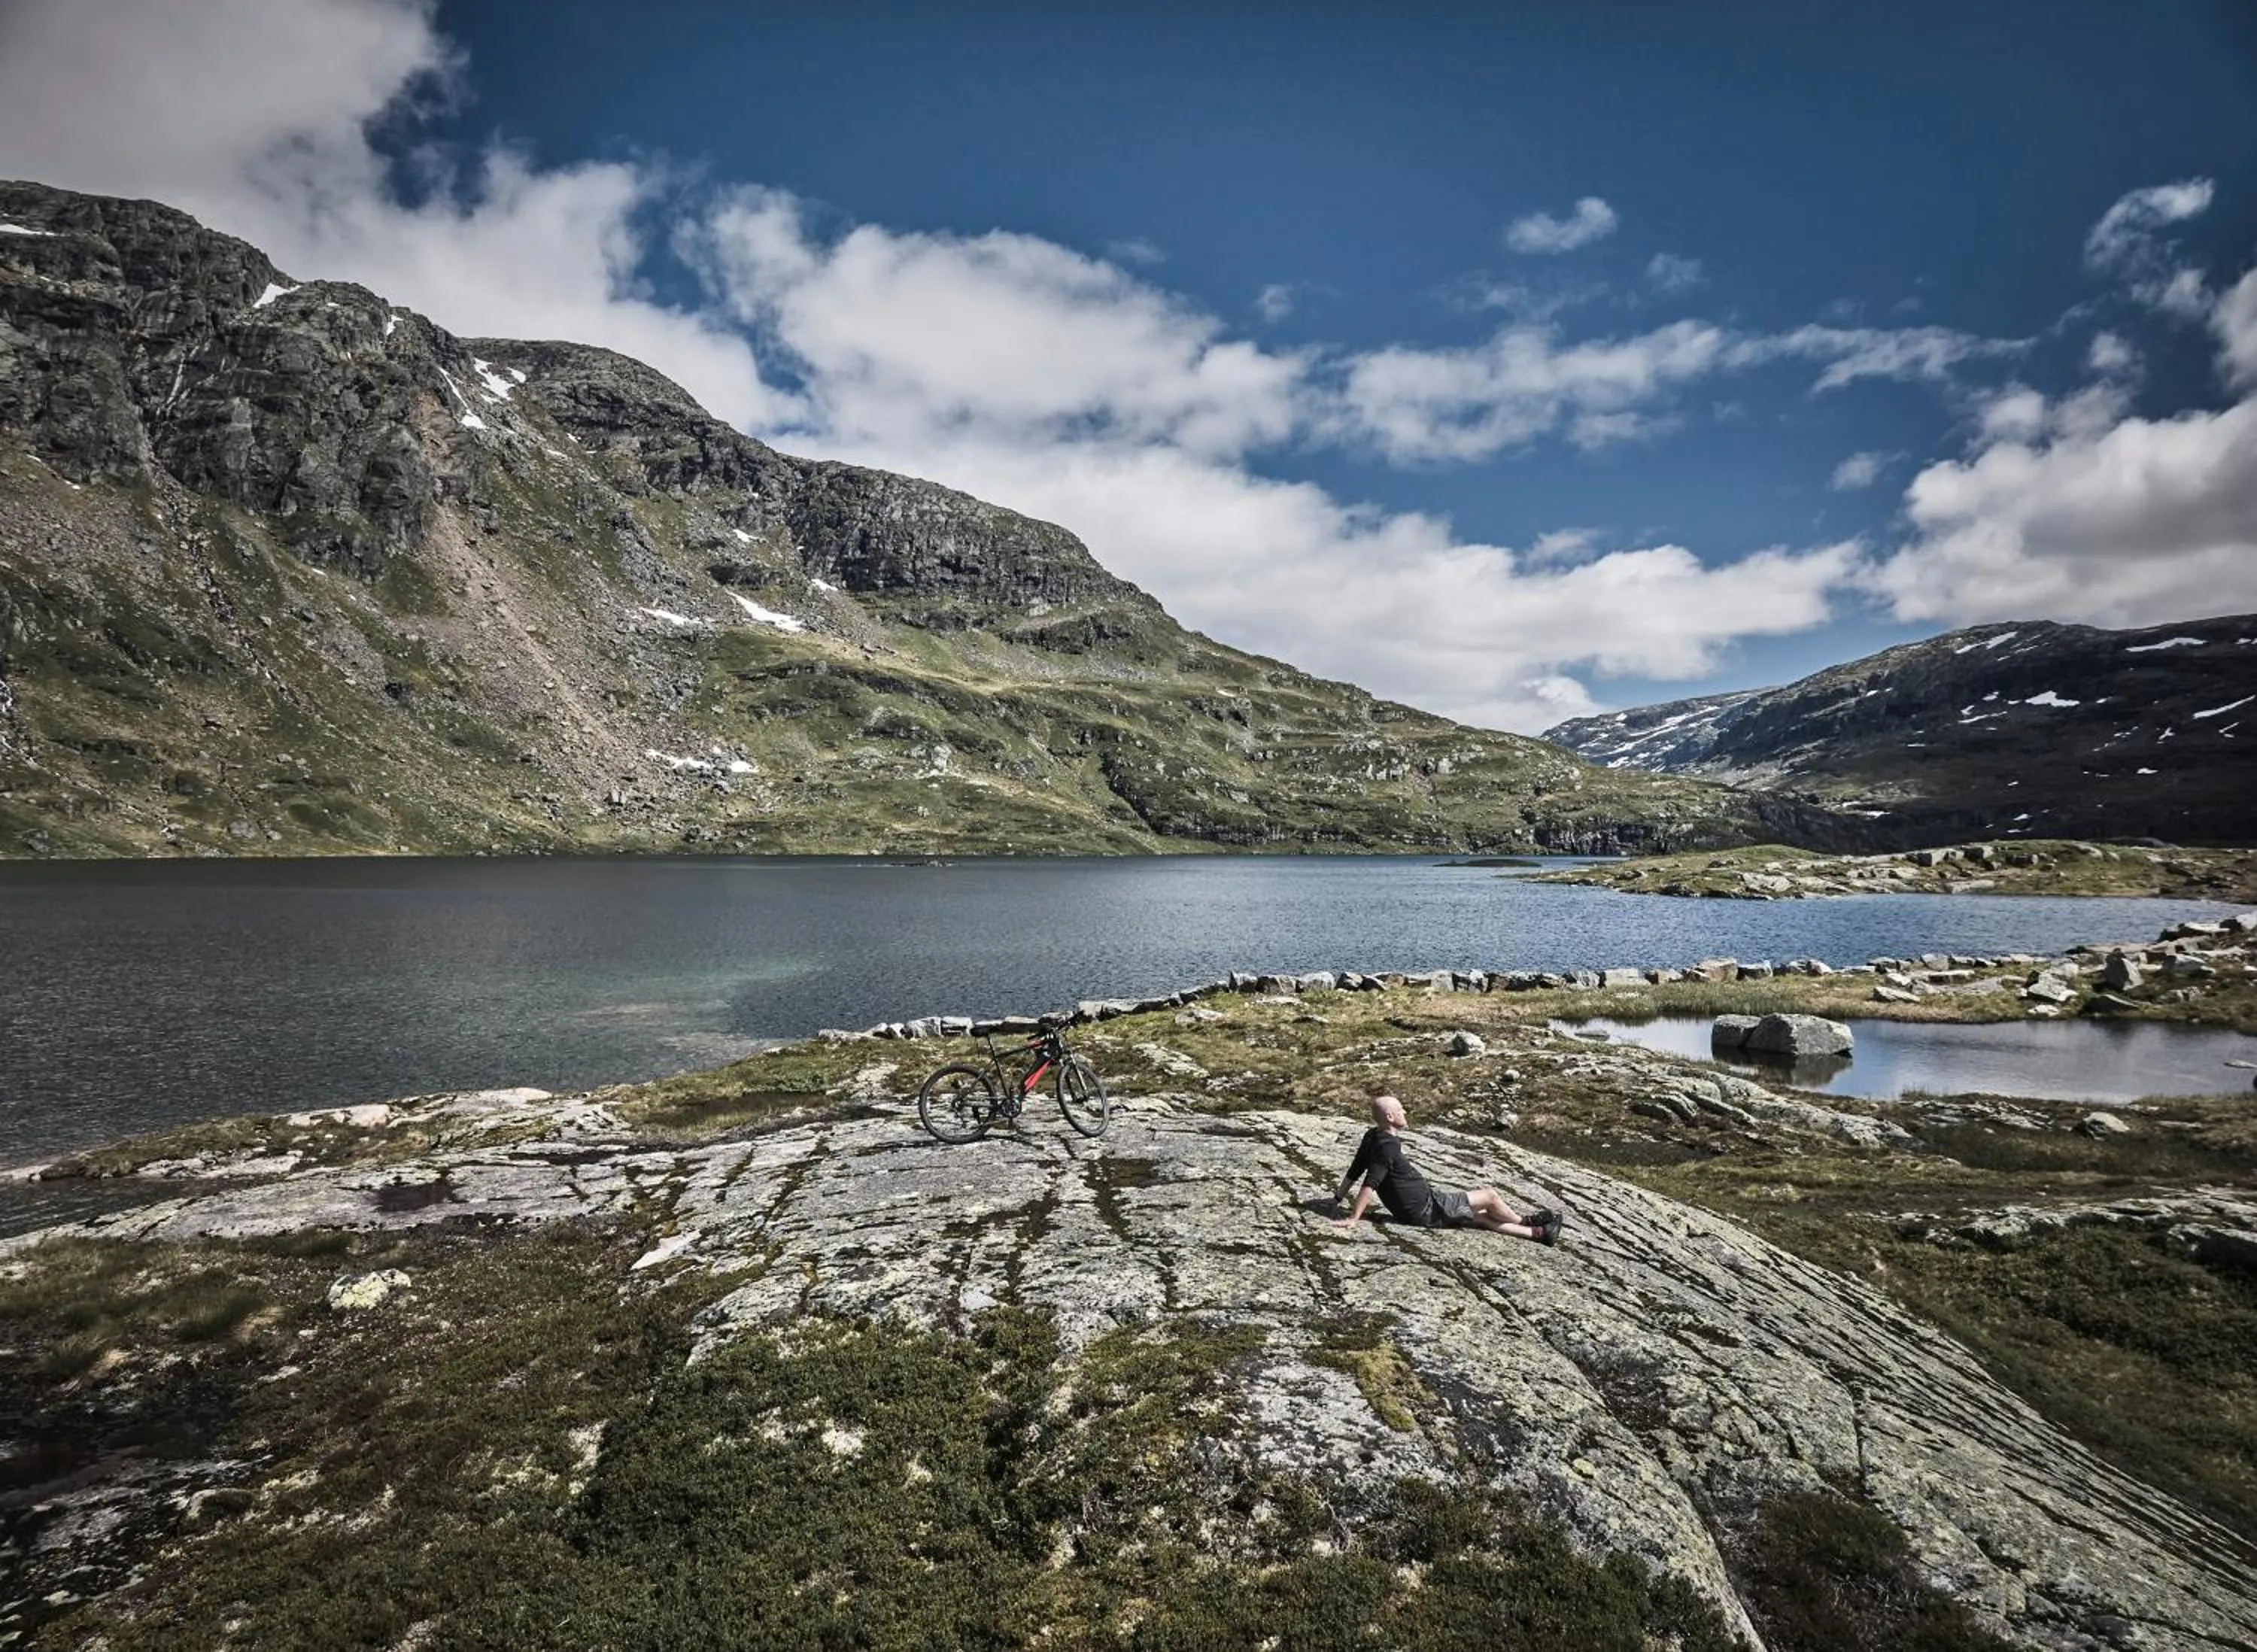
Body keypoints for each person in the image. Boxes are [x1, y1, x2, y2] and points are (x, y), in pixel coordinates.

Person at [1329, 1095, 1562, 1244]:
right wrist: (1353, 1218)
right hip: (1428, 1209)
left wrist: (1338, 1197)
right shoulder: (1388, 1146)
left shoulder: (1372, 1136)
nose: (1405, 1112)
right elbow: (1371, 1183)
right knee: (1490, 1196)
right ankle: (1526, 1222)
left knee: (1480, 1218)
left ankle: (1540, 1234)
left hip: (1423, 1207)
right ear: (1390, 1117)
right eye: (1401, 1110)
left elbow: (1355, 1168)